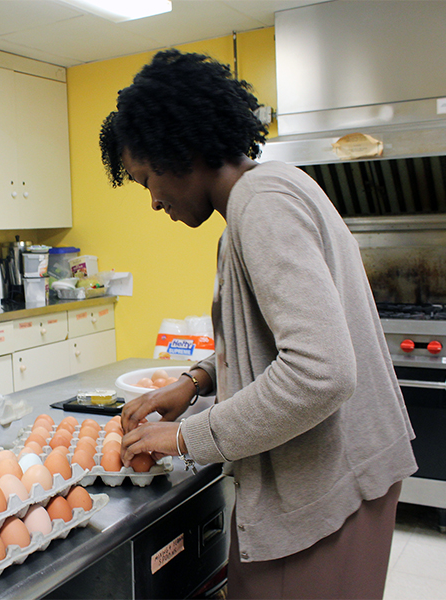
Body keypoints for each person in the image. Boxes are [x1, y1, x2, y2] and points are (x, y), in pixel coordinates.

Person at [101, 50, 417, 599]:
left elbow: (320, 372)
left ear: (183, 147)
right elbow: (266, 343)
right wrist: (195, 381)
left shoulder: (262, 204)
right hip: (331, 481)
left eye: (147, 177)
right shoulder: (260, 199)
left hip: (331, 491)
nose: (153, 200)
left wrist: (187, 436)